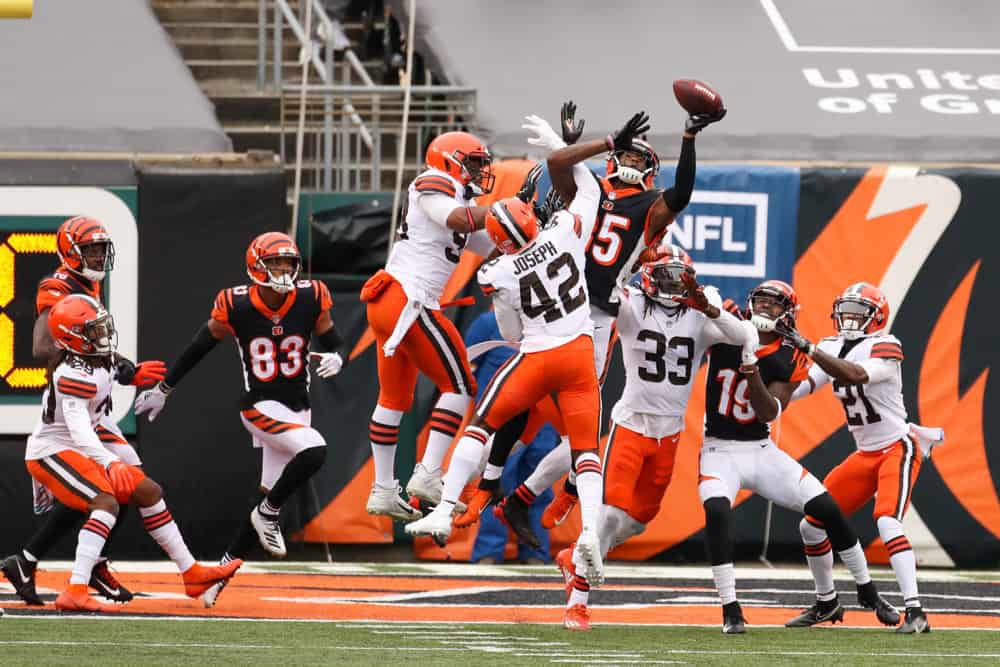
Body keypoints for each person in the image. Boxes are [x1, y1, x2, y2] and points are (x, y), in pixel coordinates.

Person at [406, 112, 644, 587]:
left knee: (481, 424)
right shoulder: (565, 233)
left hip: (537, 355)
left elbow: (510, 329)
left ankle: (446, 507)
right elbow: (591, 191)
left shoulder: (497, 273)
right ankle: (590, 535)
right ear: (535, 216)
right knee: (586, 453)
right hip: (579, 353)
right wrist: (563, 145)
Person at [497, 100, 726, 544]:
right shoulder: (587, 191)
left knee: (585, 430)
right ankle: (492, 487)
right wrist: (574, 143)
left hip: (594, 315)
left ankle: (524, 497)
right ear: (613, 155)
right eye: (626, 154)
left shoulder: (647, 207)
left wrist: (690, 138)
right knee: (517, 404)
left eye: (641, 159)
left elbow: (681, 194)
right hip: (551, 304)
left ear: (649, 172)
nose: (630, 162)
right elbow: (558, 165)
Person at [134, 232, 343, 607]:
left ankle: (218, 577)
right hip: (260, 407)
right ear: (256, 266)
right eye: (274, 263)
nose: (282, 270)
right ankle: (269, 513)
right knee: (315, 451)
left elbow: (332, 338)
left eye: (287, 263)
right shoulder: (236, 304)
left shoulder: (313, 296)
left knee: (268, 490)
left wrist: (337, 355)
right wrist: (165, 389)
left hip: (298, 407)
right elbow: (201, 345)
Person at [555, 244, 754, 631]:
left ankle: (573, 558)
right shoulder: (631, 304)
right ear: (647, 275)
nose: (670, 283)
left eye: (678, 276)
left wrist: (709, 307)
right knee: (609, 515)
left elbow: (743, 335)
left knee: (638, 521)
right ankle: (577, 604)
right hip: (631, 425)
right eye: (662, 274)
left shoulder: (700, 310)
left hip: (670, 433)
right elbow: (603, 294)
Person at [699, 280, 899, 634]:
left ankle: (868, 591)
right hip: (718, 448)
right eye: (759, 302)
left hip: (760, 449)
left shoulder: (792, 353)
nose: (764, 310)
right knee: (716, 510)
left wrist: (750, 368)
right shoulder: (730, 328)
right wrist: (711, 303)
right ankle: (730, 608)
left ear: (788, 314)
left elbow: (768, 413)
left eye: (774, 305)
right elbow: (714, 307)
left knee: (826, 509)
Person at [25, 294, 241, 611]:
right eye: (93, 331)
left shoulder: (98, 357)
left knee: (148, 491)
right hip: (53, 449)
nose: (102, 335)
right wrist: (110, 462)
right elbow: (79, 430)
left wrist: (131, 374)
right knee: (105, 503)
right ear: (73, 339)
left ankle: (191, 572)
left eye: (101, 328)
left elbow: (114, 370)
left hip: (79, 444)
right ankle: (75, 589)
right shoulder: (70, 373)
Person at [2, 216, 166, 606]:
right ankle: (84, 567)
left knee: (122, 482)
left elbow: (91, 339)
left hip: (96, 407)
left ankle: (28, 560)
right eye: (89, 249)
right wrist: (109, 363)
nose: (96, 255)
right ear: (70, 252)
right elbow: (43, 347)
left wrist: (121, 367)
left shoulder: (88, 282)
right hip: (74, 406)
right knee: (113, 484)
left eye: (99, 249)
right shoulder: (58, 287)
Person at [778, 282, 942, 634]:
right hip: (865, 453)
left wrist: (809, 348)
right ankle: (826, 602)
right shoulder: (831, 345)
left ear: (876, 317)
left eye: (858, 313)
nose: (849, 320)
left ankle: (916, 611)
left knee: (887, 522)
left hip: (898, 446)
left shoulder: (885, 344)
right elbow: (804, 387)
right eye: (846, 312)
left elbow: (856, 374)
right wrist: (774, 364)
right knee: (810, 524)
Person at [362, 131, 499, 522]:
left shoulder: (460, 198)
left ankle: (384, 488)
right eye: (473, 162)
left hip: (391, 301)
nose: (479, 170)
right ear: (450, 160)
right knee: (459, 386)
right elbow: (455, 218)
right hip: (410, 299)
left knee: (393, 400)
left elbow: (491, 241)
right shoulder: (434, 182)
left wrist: (535, 227)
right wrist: (504, 208)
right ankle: (428, 473)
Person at [462, 309, 558, 564]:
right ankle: (488, 553)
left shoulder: (549, 318)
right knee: (496, 482)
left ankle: (536, 553)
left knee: (540, 481)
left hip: (542, 416)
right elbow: (466, 372)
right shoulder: (486, 322)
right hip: (501, 417)